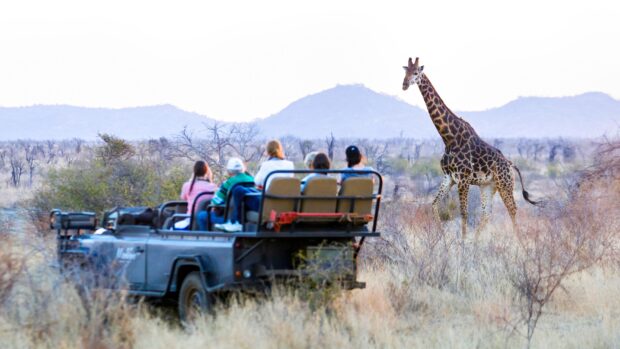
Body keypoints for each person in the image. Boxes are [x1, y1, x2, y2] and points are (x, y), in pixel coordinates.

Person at [196, 157, 254, 231]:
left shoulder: (228, 183)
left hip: (230, 218)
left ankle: (204, 239)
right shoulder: (252, 180)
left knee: (201, 215)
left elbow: (215, 202)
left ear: (229, 172)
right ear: (243, 169)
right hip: (246, 217)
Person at [175, 161, 217, 230]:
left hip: (190, 219)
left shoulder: (187, 185)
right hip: (207, 221)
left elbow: (183, 198)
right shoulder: (213, 187)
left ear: (194, 171)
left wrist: (191, 180)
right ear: (207, 172)